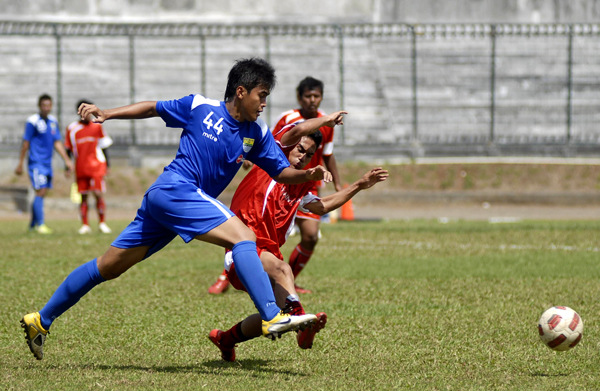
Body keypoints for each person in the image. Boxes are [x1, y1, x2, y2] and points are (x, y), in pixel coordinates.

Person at [19, 58, 330, 361]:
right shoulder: (200, 106)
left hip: (173, 206)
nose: (264, 104)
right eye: (261, 96)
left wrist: (306, 175)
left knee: (108, 266)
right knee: (243, 237)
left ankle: (40, 319)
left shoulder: (256, 133)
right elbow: (153, 107)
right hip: (174, 189)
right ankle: (271, 315)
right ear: (241, 91)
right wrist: (108, 114)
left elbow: (280, 172)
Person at [207, 113, 388, 361]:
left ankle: (225, 339)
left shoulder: (300, 184)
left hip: (267, 253)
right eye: (301, 149)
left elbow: (322, 207)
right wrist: (325, 122)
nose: (303, 156)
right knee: (283, 270)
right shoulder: (272, 157)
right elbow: (299, 128)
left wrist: (358, 185)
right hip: (243, 247)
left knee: (275, 314)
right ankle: (303, 327)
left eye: (309, 154)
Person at [208, 76, 341, 295]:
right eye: (308, 96)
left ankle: (288, 281)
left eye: (317, 96)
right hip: (280, 181)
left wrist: (336, 180)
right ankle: (226, 275)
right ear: (300, 97)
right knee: (252, 231)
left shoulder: (327, 124)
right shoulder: (290, 118)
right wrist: (251, 155)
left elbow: (327, 153)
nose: (313, 100)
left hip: (305, 185)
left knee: (310, 235)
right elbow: (272, 140)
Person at [15, 94, 74, 234]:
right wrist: (20, 163)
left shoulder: (53, 121)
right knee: (40, 191)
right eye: (44, 105)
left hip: (48, 163)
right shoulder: (33, 121)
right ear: (39, 106)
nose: (47, 108)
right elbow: (26, 142)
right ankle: (40, 224)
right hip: (36, 163)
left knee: (43, 192)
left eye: (49, 105)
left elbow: (57, 142)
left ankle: (32, 225)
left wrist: (66, 160)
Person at [65, 99, 114, 235]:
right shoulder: (72, 128)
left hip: (96, 166)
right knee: (83, 196)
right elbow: (69, 149)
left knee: (98, 194)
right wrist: (67, 167)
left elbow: (104, 146)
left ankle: (102, 223)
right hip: (81, 167)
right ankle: (85, 225)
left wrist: (108, 165)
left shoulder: (97, 126)